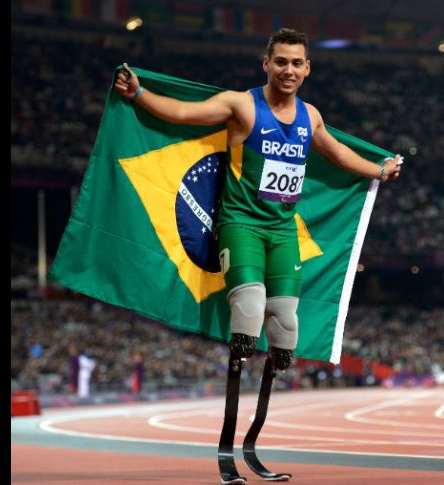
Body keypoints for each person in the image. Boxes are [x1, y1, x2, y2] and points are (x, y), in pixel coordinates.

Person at [115, 28, 402, 485]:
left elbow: (339, 154)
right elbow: (186, 113)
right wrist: (141, 95)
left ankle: (253, 442)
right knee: (247, 318)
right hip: (241, 227)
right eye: (281, 61)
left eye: (297, 63)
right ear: (265, 63)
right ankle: (226, 446)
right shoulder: (241, 105)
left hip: (282, 231)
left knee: (285, 332)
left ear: (308, 68)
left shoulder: (311, 116)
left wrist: (379, 170)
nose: (289, 70)